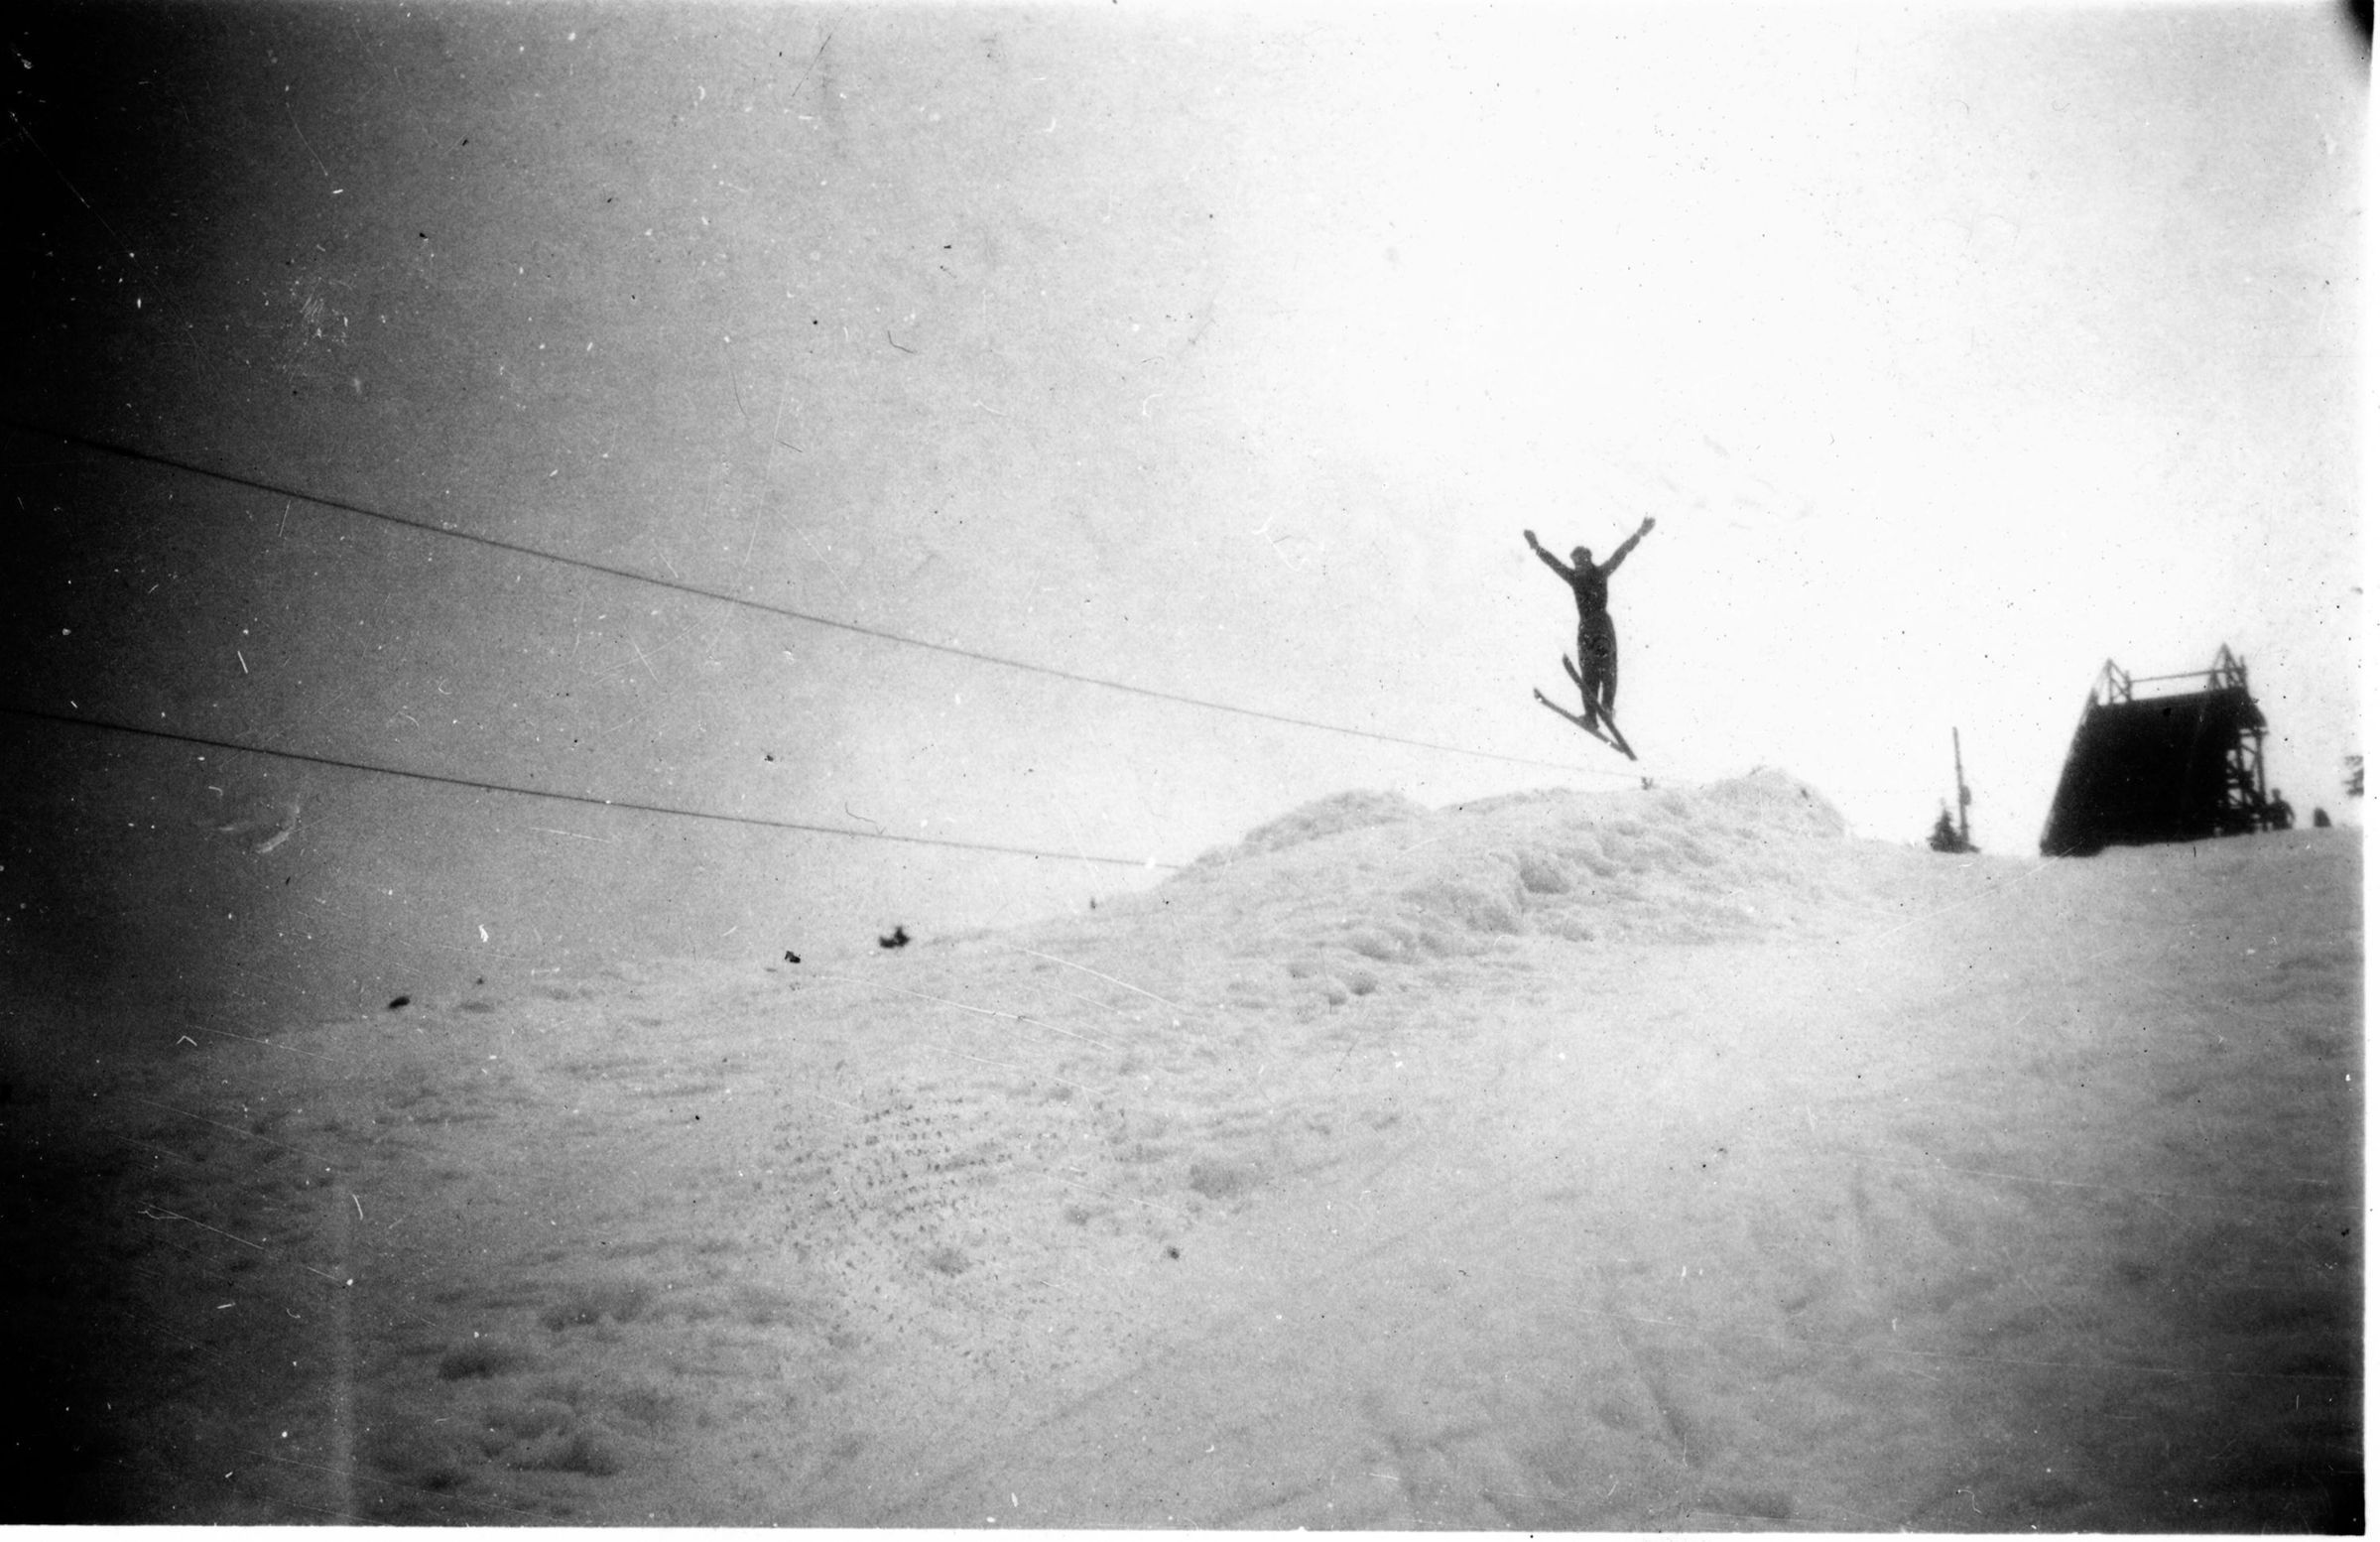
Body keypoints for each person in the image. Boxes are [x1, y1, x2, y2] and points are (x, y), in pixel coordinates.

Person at [1525, 518, 1654, 723]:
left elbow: (1621, 554)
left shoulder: (1600, 573)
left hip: (1601, 627)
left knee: (1606, 668)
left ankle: (1607, 707)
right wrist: (1536, 547)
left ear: (1588, 559)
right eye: (1576, 562)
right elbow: (1554, 564)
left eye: (1581, 561)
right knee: (1589, 673)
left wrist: (1639, 533)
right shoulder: (1575, 578)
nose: (1578, 566)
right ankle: (1591, 715)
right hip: (1585, 630)